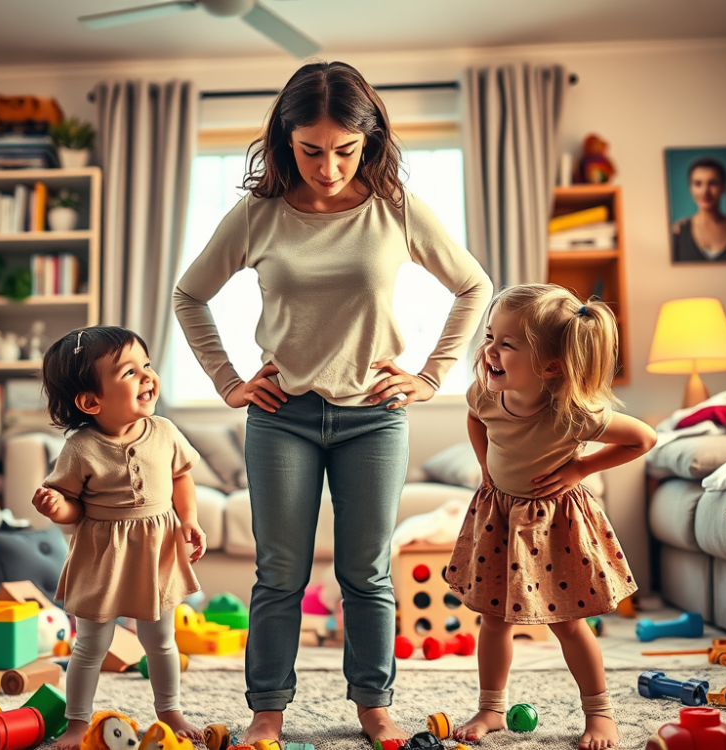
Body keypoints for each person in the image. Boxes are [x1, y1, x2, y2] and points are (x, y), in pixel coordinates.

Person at [173, 60, 492, 745]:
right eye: (312, 150)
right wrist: (229, 380)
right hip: (280, 416)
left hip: (374, 417)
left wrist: (432, 376)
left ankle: (374, 706)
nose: (328, 166)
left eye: (345, 150)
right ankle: (267, 712)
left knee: (366, 572)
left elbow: (474, 286)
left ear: (368, 140)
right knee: (279, 573)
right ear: (286, 139)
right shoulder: (258, 214)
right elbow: (188, 294)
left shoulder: (394, 208)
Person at [445, 284, 657, 750]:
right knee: (493, 620)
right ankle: (491, 709)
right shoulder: (484, 394)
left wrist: (580, 467)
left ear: (552, 365)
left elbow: (642, 439)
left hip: (554, 524)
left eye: (507, 343)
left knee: (568, 624)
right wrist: (485, 467)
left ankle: (600, 714)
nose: (490, 351)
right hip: (499, 516)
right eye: (489, 337)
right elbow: (474, 419)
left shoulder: (573, 413)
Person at [31, 325, 207, 750]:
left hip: (156, 552)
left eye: (146, 365)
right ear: (92, 401)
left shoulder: (164, 431)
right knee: (91, 644)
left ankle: (170, 710)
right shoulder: (80, 447)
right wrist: (58, 507)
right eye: (130, 372)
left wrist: (190, 520)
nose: (147, 376)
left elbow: (181, 475)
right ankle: (76, 723)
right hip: (102, 556)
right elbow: (74, 507)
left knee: (160, 640)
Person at [671, 156, 726, 262]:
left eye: (713, 183)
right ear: (690, 188)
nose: (705, 191)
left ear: (724, 187)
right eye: (698, 184)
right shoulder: (677, 232)